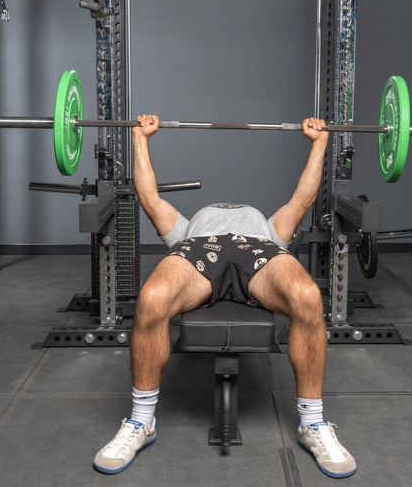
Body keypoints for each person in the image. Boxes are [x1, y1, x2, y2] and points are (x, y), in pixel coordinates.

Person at [93, 114, 356, 479]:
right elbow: (150, 198)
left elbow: (302, 198)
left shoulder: (269, 227)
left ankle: (312, 424)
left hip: (259, 251)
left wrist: (320, 142)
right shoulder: (187, 228)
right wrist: (141, 138)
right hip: (199, 250)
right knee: (152, 297)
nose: (227, 208)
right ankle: (140, 422)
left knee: (307, 295)